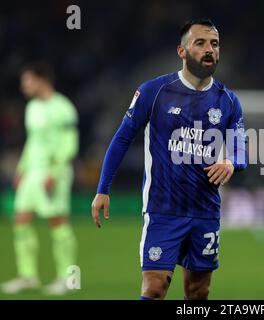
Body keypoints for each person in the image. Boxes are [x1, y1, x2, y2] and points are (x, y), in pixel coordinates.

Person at [91, 18, 248, 300]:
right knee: (154, 288)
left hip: (205, 211)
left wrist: (231, 161)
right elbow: (122, 137)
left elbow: (240, 146)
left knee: (198, 291)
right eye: (200, 43)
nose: (209, 49)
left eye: (214, 43)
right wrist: (103, 188)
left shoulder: (228, 101)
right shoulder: (155, 91)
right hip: (163, 209)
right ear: (182, 51)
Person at [1, 63, 79, 295]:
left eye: (28, 81)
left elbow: (69, 144)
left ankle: (68, 278)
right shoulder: (32, 107)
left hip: (53, 172)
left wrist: (53, 173)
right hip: (32, 173)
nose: (24, 86)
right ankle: (28, 276)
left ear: (42, 80)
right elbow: (33, 141)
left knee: (57, 221)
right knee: (21, 220)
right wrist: (22, 169)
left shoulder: (63, 107)